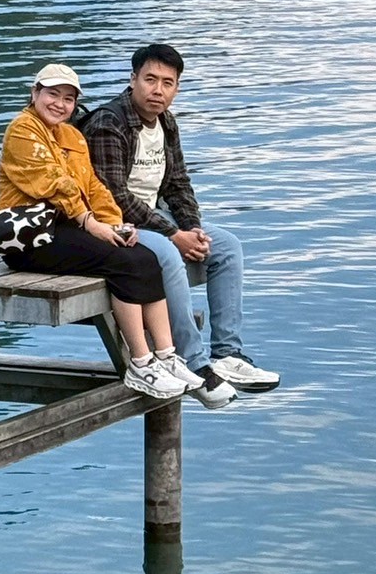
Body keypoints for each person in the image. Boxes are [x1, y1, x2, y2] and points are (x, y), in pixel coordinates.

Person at [0, 62, 205, 401]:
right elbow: (54, 184)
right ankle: (140, 362)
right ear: (35, 94)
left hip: (66, 227)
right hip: (29, 237)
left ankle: (166, 357)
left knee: (145, 257)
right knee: (124, 263)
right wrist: (92, 224)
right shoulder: (23, 130)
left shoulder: (72, 136)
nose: (59, 104)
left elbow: (93, 186)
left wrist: (116, 223)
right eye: (52, 95)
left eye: (68, 99)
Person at [84, 43, 279, 409]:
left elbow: (177, 183)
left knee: (226, 247)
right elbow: (113, 197)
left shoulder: (166, 122)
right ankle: (194, 362)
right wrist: (174, 235)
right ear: (133, 79)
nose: (157, 90)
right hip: (116, 224)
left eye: (167, 83)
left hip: (156, 217)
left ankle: (227, 353)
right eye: (150, 80)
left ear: (176, 87)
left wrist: (193, 229)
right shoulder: (108, 124)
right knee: (168, 257)